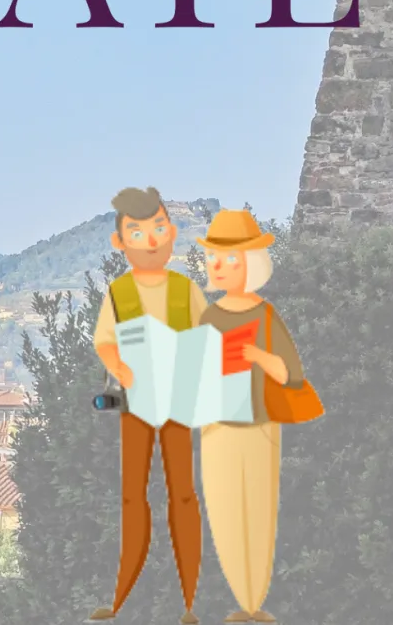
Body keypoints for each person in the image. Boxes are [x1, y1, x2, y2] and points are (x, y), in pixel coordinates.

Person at [87, 187, 206, 625]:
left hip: (177, 404)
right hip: (136, 404)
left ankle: (189, 602)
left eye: (158, 228)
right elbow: (104, 341)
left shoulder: (186, 290)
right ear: (120, 242)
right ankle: (123, 598)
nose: (151, 240)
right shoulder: (118, 293)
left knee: (183, 496)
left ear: (171, 233)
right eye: (137, 232)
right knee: (133, 497)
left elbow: (204, 341)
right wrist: (121, 367)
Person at [196, 210, 304, 623]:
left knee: (257, 508)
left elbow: (289, 374)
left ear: (252, 263)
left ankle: (255, 603)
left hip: (258, 425)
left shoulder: (264, 314)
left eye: (231, 258)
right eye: (214, 258)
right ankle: (242, 601)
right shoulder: (210, 316)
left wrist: (257, 354)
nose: (220, 266)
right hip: (217, 426)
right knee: (223, 511)